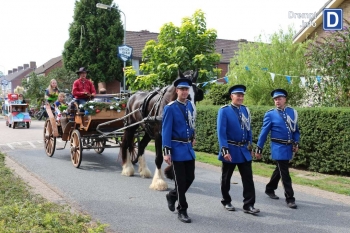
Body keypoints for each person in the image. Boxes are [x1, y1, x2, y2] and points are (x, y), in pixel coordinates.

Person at [217, 84, 260, 215]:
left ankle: (249, 204)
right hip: (230, 149)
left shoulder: (245, 110)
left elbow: (248, 130)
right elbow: (221, 132)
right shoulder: (224, 110)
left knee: (248, 178)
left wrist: (250, 147)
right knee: (226, 178)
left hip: (243, 150)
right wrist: (225, 150)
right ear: (232, 96)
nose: (240, 98)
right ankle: (226, 200)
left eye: (242, 95)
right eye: (238, 95)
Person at [255, 89, 300, 209]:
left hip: (289, 146)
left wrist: (296, 143)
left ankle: (270, 188)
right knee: (285, 173)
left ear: (285, 99)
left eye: (279, 98)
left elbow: (296, 131)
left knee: (280, 169)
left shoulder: (292, 112)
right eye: (275, 99)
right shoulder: (270, 114)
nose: (277, 101)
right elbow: (264, 133)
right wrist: (259, 148)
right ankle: (290, 198)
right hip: (278, 147)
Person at [162, 78, 196, 224]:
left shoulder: (190, 106)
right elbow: (166, 130)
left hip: (188, 148)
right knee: (181, 182)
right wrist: (166, 152)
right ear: (177, 91)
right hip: (176, 149)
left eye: (186, 89)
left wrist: (193, 136)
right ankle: (182, 210)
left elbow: (191, 124)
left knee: (190, 178)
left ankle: (172, 195)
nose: (184, 92)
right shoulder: (170, 107)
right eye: (182, 89)